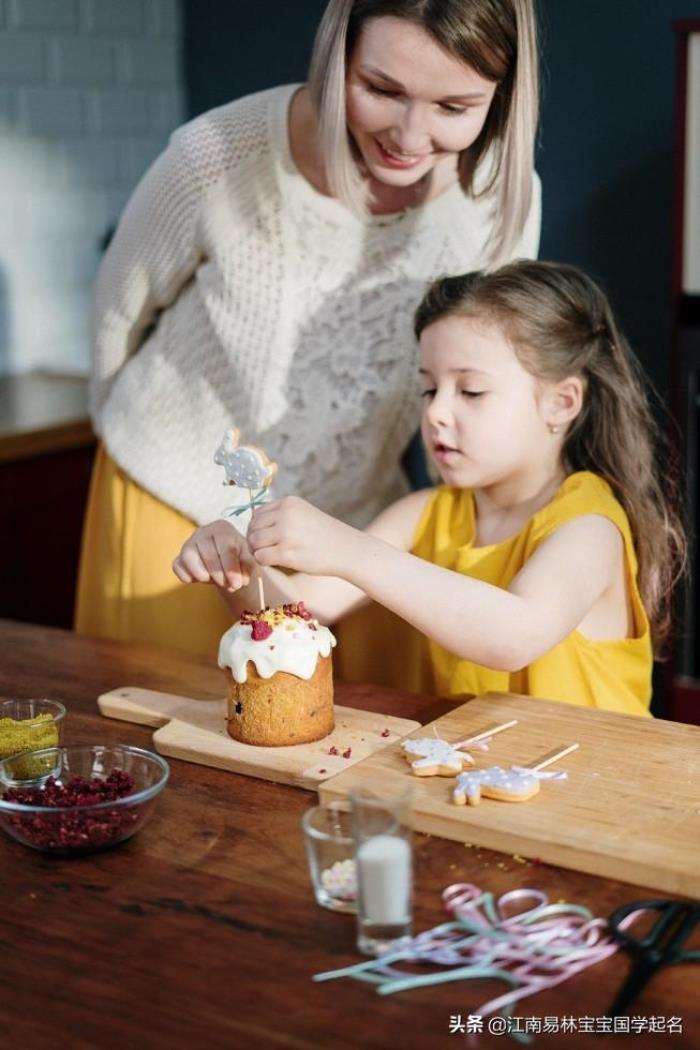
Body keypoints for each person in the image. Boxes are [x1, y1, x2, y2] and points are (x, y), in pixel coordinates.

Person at [75, 0, 541, 668]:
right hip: (175, 512)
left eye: (454, 108)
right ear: (337, 55)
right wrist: (118, 431)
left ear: (501, 98)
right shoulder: (217, 154)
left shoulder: (502, 198)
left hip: (357, 538)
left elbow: (486, 376)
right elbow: (118, 310)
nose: (410, 136)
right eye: (381, 90)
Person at [173, 260, 687, 717]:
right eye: (429, 388)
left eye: (471, 390)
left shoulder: (589, 528)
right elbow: (302, 612)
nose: (437, 412)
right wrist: (238, 566)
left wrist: (348, 548)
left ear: (561, 403)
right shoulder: (425, 512)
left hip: (594, 793)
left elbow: (513, 636)